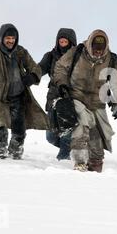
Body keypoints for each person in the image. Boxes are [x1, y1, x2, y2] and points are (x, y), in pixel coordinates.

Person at [53, 29, 117, 172]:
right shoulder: (77, 52)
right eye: (95, 48)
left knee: (97, 139)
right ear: (90, 44)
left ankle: (95, 163)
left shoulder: (111, 59)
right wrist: (62, 83)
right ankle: (79, 162)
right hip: (77, 97)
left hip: (97, 102)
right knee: (81, 128)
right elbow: (60, 67)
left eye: (101, 49)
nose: (98, 52)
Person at [0, 23, 49, 159]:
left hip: (18, 95)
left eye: (13, 38)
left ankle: (16, 152)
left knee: (19, 129)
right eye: (8, 38)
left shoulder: (20, 52)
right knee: (0, 125)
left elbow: (35, 68)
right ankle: (0, 152)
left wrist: (32, 77)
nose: (10, 41)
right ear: (1, 37)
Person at [39, 28, 77, 160]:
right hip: (53, 98)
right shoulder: (50, 55)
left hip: (69, 98)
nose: (62, 43)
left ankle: (64, 156)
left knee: (67, 130)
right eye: (60, 40)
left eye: (65, 41)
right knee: (50, 136)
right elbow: (40, 69)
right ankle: (70, 149)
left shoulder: (78, 57)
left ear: (71, 42)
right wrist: (29, 76)